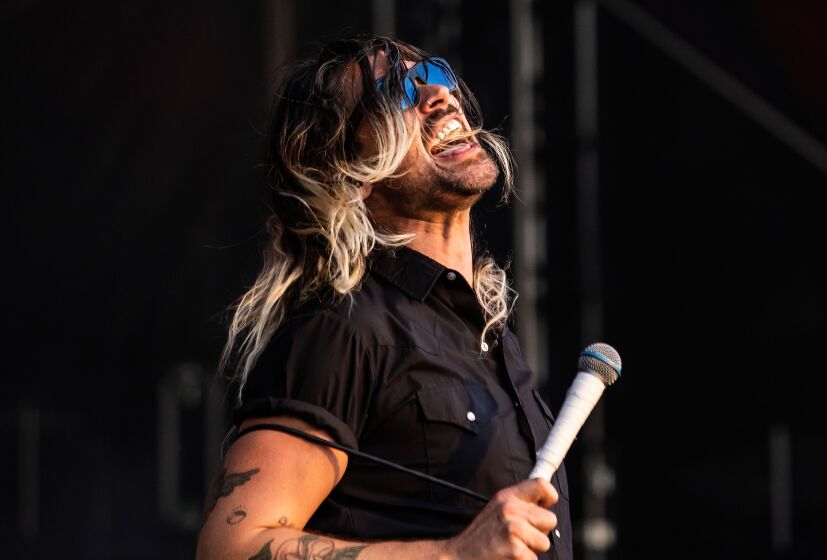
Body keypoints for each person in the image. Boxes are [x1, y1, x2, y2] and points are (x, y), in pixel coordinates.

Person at [196, 35, 571, 560]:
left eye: (436, 76)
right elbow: (230, 546)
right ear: (347, 171)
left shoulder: (488, 338)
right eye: (396, 93)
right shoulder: (343, 328)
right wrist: (453, 556)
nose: (438, 98)